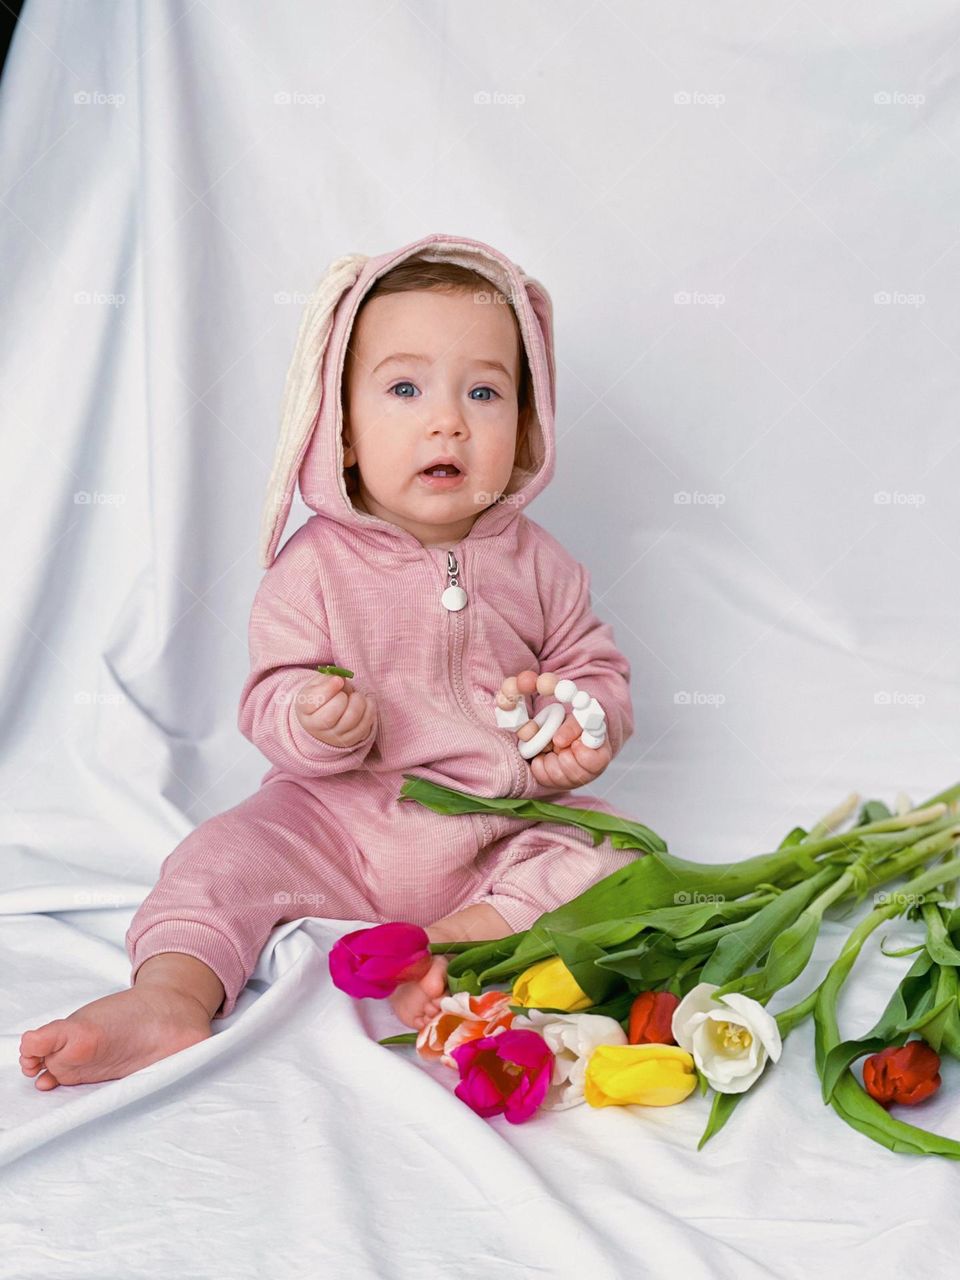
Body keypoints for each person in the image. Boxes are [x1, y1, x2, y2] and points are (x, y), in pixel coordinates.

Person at [19, 232, 641, 1090]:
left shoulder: (540, 562)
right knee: (220, 857)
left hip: (497, 824)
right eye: (405, 387)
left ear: (526, 429)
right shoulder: (313, 566)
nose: (447, 418)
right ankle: (171, 993)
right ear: (341, 432)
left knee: (613, 860)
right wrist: (312, 718)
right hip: (337, 826)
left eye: (486, 391)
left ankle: (451, 946)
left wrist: (584, 723)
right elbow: (271, 694)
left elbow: (591, 665)